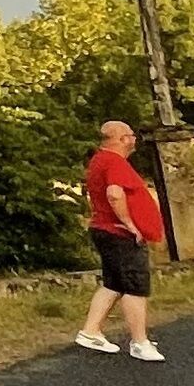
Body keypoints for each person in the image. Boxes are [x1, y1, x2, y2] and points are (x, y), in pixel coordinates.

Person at [75, 120, 168, 361]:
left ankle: (90, 332)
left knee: (113, 283)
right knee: (134, 286)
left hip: (104, 229)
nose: (134, 139)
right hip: (118, 233)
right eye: (130, 135)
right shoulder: (114, 162)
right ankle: (139, 342)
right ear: (119, 139)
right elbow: (114, 194)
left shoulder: (99, 161)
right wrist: (130, 225)